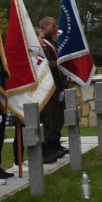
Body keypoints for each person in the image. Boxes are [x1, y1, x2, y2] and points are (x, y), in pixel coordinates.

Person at [38, 17, 67, 162]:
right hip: (49, 87)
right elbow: (46, 64)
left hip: (58, 86)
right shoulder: (44, 46)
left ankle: (55, 144)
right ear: (44, 27)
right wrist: (61, 61)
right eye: (52, 26)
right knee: (48, 120)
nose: (55, 28)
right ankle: (47, 149)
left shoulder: (52, 43)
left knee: (57, 118)